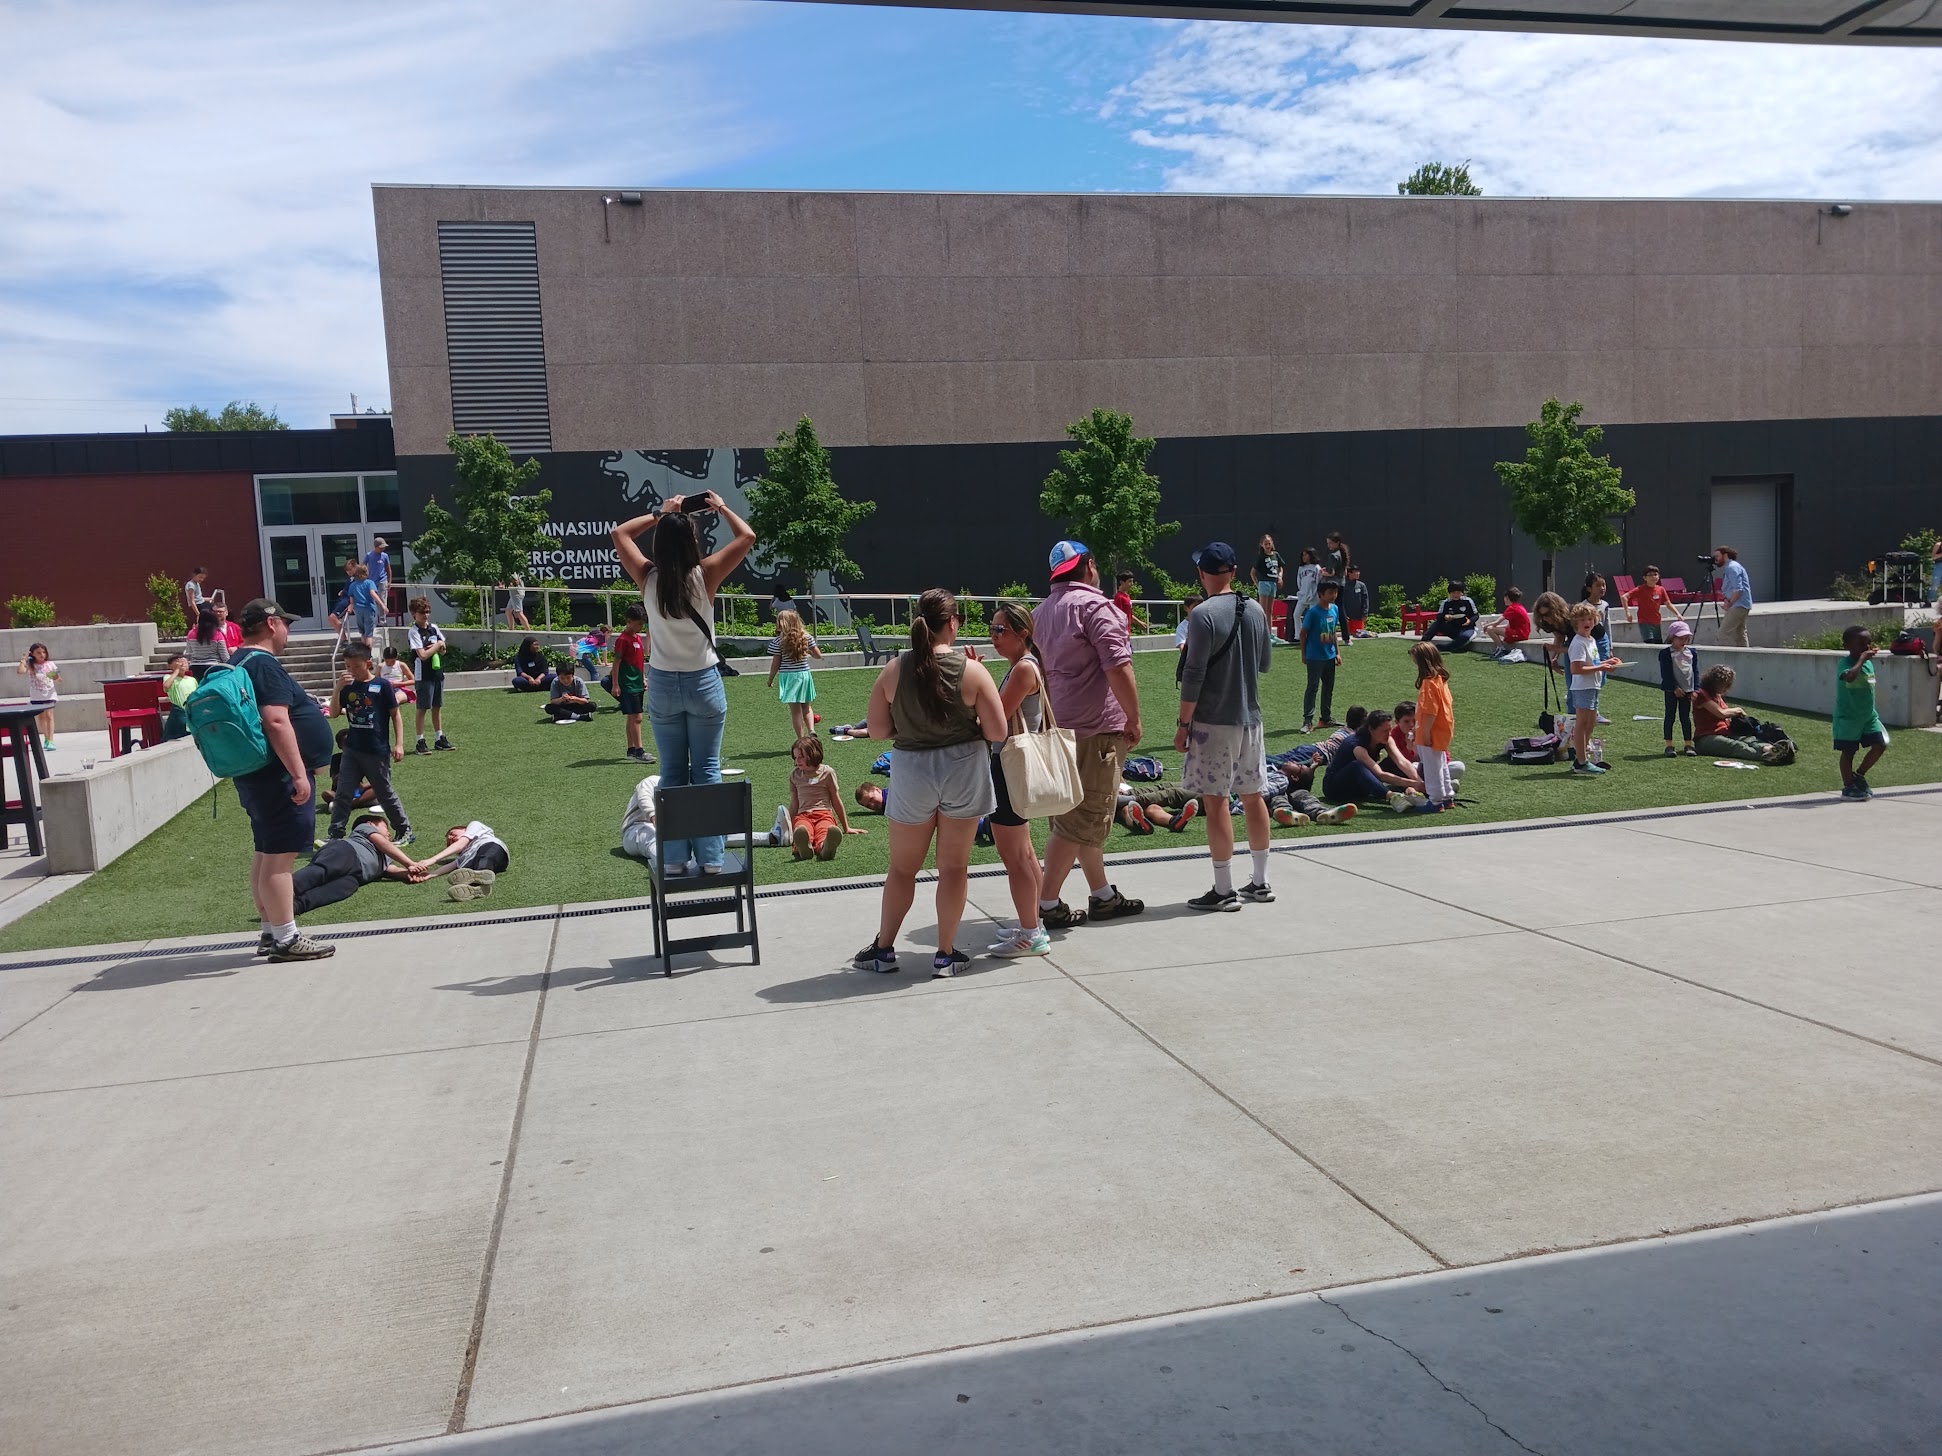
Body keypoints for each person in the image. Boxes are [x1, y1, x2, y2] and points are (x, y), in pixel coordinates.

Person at [853, 588, 1007, 977]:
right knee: (953, 868)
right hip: (963, 771)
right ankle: (944, 953)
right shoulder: (972, 670)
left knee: (903, 869)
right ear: (952, 623)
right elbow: (998, 730)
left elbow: (877, 730)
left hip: (911, 772)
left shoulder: (894, 668)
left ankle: (883, 949)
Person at [611, 489, 757, 876]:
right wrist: (721, 507)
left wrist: (662, 514)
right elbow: (747, 537)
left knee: (673, 773)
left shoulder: (648, 577)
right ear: (693, 541)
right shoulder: (705, 574)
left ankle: (673, 858)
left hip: (661, 684)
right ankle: (711, 859)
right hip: (704, 683)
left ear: (660, 541)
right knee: (707, 770)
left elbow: (619, 535)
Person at [1031, 541, 1144, 930]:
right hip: (1096, 729)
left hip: (1058, 727)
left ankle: (1102, 895)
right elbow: (1117, 666)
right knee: (1083, 818)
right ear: (1090, 567)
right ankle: (1045, 905)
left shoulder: (1041, 612)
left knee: (1075, 815)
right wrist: (1134, 717)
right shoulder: (1097, 608)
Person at [231, 599, 336, 962]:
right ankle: (286, 938)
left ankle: (270, 931)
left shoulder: (237, 661)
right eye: (286, 624)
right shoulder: (264, 665)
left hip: (255, 774)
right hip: (278, 777)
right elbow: (276, 721)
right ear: (272, 623)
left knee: (266, 852)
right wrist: (297, 774)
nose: (288, 631)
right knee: (279, 860)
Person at [1176, 541, 1275, 912]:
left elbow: (1193, 675)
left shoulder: (1201, 615)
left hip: (1213, 721)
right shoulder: (1254, 610)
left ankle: (1223, 888)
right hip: (1251, 718)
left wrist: (1183, 723)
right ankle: (1261, 881)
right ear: (1234, 571)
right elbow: (1264, 664)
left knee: (1215, 802)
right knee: (1253, 797)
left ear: (1202, 573)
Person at [983, 599, 1051, 958]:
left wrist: (974, 689)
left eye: (1000, 630)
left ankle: (1030, 933)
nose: (993, 636)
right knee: (1023, 852)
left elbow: (993, 720)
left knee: (1014, 856)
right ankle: (1033, 924)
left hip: (1008, 766)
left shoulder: (1024, 669)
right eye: (991, 629)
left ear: (1022, 633)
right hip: (1011, 766)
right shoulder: (1023, 665)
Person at [328, 643, 411, 842]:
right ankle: (335, 835)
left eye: (356, 666)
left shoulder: (382, 685)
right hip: (352, 751)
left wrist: (399, 744)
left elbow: (395, 715)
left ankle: (404, 830)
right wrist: (338, 688)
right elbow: (332, 713)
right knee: (342, 793)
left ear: (368, 663)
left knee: (384, 793)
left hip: (376, 750)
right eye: (347, 666)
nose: (351, 670)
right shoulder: (347, 687)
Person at [292, 813, 428, 916]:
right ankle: (283, 890)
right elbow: (382, 843)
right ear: (371, 824)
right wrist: (410, 863)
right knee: (320, 872)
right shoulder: (363, 828)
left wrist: (410, 874)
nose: (389, 833)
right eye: (385, 828)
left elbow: (392, 870)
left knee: (338, 890)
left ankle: (295, 906)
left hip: (356, 876)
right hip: (347, 851)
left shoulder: (386, 858)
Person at [1322, 710, 1426, 810]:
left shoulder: (1386, 739)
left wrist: (1420, 782)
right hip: (1336, 789)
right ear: (1371, 729)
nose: (1389, 734)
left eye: (1390, 729)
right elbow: (1379, 774)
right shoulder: (1356, 745)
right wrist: (1411, 782)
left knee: (1392, 762)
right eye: (1384, 731)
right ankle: (1392, 797)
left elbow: (1402, 761)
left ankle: (1411, 792)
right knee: (1356, 765)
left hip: (1362, 785)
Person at [1565, 601, 1623, 775]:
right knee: (1582, 724)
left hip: (1592, 686)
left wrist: (1608, 663)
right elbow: (1576, 669)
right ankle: (1581, 761)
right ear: (1576, 622)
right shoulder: (1578, 642)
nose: (1587, 622)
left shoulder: (1590, 640)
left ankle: (1582, 759)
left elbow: (1592, 663)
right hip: (1583, 687)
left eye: (1590, 618)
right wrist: (1601, 668)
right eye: (1582, 619)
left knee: (1590, 724)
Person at [1693, 665, 1792, 764]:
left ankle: (1772, 748)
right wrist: (1738, 710)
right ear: (1715, 683)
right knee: (1738, 746)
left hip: (1726, 733)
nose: (1727, 688)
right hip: (1706, 739)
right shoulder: (1701, 694)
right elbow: (1721, 713)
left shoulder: (1717, 695)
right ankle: (1770, 756)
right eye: (1725, 685)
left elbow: (1726, 714)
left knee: (1749, 740)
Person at [786, 733, 863, 861]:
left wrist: (846, 827)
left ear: (813, 755)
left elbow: (835, 799)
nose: (797, 761)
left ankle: (825, 848)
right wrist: (788, 828)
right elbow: (794, 803)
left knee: (825, 830)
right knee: (802, 829)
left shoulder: (827, 773)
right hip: (803, 815)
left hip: (824, 813)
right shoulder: (795, 775)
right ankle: (804, 847)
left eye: (801, 757)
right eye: (795, 757)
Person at [1834, 625, 1889, 800]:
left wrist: (1865, 660)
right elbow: (1849, 676)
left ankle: (1859, 775)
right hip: (1849, 717)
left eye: (1868, 644)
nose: (1866, 648)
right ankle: (1848, 786)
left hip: (1868, 716)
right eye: (1860, 645)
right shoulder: (1845, 664)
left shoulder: (1868, 664)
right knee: (1849, 751)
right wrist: (1862, 660)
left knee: (1880, 745)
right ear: (1847, 647)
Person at [410, 821, 509, 902]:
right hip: (484, 865)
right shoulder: (463, 857)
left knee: (484, 858)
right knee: (470, 868)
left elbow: (460, 845)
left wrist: (432, 860)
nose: (450, 838)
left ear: (463, 829)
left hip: (492, 849)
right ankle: (478, 889)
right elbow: (451, 866)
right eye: (449, 842)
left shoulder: (475, 826)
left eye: (452, 833)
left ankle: (480, 873)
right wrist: (429, 875)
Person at [1410, 642, 1457, 810]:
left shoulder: (1429, 683)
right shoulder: (1439, 680)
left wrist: (1426, 733)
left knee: (1432, 768)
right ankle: (1447, 796)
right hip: (1442, 729)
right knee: (1441, 763)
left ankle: (1436, 800)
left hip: (1430, 731)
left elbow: (1430, 711)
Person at [767, 608, 823, 743]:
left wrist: (770, 678)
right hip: (804, 675)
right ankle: (811, 730)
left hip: (789, 677)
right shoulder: (806, 637)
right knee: (806, 706)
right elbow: (818, 655)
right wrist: (807, 650)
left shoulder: (778, 641)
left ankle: (801, 739)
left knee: (795, 711)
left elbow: (776, 663)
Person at [406, 597, 453, 753]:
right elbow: (422, 655)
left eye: (427, 612)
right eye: (422, 612)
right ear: (414, 614)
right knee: (422, 708)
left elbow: (444, 649)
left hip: (437, 673)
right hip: (423, 675)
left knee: (437, 706)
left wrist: (440, 647)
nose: (425, 615)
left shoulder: (434, 628)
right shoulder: (414, 632)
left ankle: (439, 738)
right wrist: (437, 646)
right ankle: (420, 741)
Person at [1298, 577, 1341, 734]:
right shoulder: (1313, 613)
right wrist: (1304, 654)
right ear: (1321, 594)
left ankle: (1325, 718)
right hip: (1315, 657)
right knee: (1312, 687)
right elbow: (1303, 634)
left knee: (1328, 687)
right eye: (1330, 592)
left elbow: (1334, 632)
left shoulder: (1334, 609)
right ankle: (1307, 721)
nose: (1333, 595)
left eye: (1335, 592)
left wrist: (1337, 652)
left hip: (1329, 656)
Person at [614, 602, 652, 763]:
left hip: (637, 682)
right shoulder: (623, 640)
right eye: (638, 624)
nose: (640, 627)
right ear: (628, 621)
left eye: (642, 624)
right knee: (637, 717)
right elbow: (616, 663)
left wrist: (643, 677)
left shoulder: (637, 638)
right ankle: (639, 751)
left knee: (632, 717)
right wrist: (615, 684)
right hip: (628, 684)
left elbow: (638, 662)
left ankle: (631, 749)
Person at [1658, 620, 1700, 757]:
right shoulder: (1665, 653)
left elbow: (1695, 671)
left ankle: (1688, 744)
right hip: (1672, 691)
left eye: (1686, 638)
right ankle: (1669, 745)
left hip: (1687, 690)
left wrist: (1695, 689)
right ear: (1672, 638)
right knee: (1670, 716)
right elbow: (1666, 673)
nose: (1683, 641)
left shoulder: (1692, 653)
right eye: (1680, 638)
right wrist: (1674, 687)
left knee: (1685, 717)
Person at [1623, 565, 1682, 645]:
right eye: (1650, 575)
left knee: (1658, 645)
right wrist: (1627, 613)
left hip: (1657, 622)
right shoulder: (1640, 589)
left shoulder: (1661, 589)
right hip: (1645, 622)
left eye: (1655, 574)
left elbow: (1668, 603)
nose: (1653, 577)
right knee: (1650, 644)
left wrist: (1678, 614)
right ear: (1645, 578)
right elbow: (1624, 597)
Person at [17, 644, 59, 751]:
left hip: (49, 693)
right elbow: (20, 671)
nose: (42, 655)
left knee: (49, 715)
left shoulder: (50, 664)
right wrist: (23, 659)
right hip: (37, 696)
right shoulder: (31, 666)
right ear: (33, 654)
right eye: (38, 653)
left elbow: (56, 677)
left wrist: (55, 676)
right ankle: (46, 737)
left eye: (43, 652)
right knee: (41, 717)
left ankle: (51, 740)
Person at [1116, 782, 1200, 833]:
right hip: (1110, 796)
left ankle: (1137, 823)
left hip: (1119, 793)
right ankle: (1172, 821)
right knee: (1129, 808)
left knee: (1149, 807)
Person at [1713, 546, 1753, 647]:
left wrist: (1729, 603)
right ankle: (1745, 657)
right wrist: (1727, 600)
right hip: (1742, 604)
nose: (1715, 559)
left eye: (1717, 556)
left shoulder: (1732, 568)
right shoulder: (1732, 567)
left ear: (1725, 555)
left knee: (1722, 634)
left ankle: (1720, 659)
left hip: (1738, 605)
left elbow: (1738, 589)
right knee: (1740, 634)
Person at [1424, 579, 1479, 653]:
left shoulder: (1468, 601)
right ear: (1450, 593)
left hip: (1467, 628)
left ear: (1462, 593)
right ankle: (1422, 644)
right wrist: (1445, 617)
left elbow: (1476, 615)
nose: (1456, 595)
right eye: (1453, 593)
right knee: (1437, 623)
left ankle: (1447, 647)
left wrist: (1470, 621)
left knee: (1465, 637)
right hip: (1452, 628)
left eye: (1458, 592)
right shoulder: (1446, 603)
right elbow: (1439, 616)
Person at [1484, 586, 1533, 656]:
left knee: (1490, 629)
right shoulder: (1519, 606)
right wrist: (1497, 628)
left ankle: (1501, 649)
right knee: (1493, 629)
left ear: (1507, 597)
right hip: (1523, 633)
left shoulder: (1512, 608)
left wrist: (1486, 626)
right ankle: (1500, 648)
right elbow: (1508, 626)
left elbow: (1496, 623)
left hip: (1520, 634)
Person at [1529, 590, 1571, 669]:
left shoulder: (1573, 618)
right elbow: (1559, 636)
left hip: (1596, 640)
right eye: (1541, 615)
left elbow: (1580, 647)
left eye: (1547, 614)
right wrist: (1554, 659)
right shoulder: (1549, 622)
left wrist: (1556, 649)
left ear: (1557, 611)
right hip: (1573, 643)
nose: (1544, 618)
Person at [1289, 548, 1321, 648]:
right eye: (1303, 555)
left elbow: (1318, 582)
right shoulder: (1301, 568)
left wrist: (1315, 593)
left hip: (1314, 596)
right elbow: (1299, 581)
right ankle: (1298, 635)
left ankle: (1313, 636)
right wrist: (1302, 592)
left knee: (1312, 617)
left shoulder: (1317, 568)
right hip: (1302, 595)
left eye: (1306, 555)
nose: (1304, 557)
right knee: (1296, 614)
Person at [182, 605, 230, 672]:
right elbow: (224, 656)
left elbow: (188, 653)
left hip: (195, 667)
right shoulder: (217, 634)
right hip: (213, 667)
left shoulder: (191, 634)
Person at [346, 562, 381, 648]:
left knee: (362, 633)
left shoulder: (352, 585)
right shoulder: (369, 583)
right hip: (368, 609)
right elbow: (373, 593)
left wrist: (352, 607)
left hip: (358, 610)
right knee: (369, 634)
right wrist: (382, 605)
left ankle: (363, 653)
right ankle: (368, 655)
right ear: (365, 572)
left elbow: (352, 600)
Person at [160, 652, 194, 740]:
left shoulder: (192, 679)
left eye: (184, 662)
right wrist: (176, 671)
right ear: (170, 666)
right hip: (179, 711)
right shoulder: (169, 677)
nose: (182, 664)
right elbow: (166, 686)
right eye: (177, 662)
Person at [1251, 535, 1283, 628]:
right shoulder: (1261, 557)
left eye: (1269, 543)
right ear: (1261, 545)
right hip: (1264, 583)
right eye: (1266, 544)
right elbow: (1253, 572)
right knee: (1263, 609)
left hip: (1273, 583)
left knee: (1270, 610)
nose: (1268, 546)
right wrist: (1258, 584)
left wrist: (1280, 577)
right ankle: (1262, 631)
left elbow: (1280, 567)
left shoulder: (1276, 555)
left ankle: (1269, 633)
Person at [1174, 592, 1203, 683]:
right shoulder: (1182, 627)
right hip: (1190, 664)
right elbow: (1182, 648)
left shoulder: (1205, 622)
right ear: (1186, 608)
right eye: (1195, 607)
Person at [1339, 564, 1371, 640]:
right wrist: (1343, 615)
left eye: (1358, 572)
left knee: (1358, 635)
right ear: (1349, 573)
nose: (1357, 574)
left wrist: (1365, 613)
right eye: (1355, 572)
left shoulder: (1361, 585)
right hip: (1347, 617)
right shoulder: (1343, 585)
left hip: (1358, 617)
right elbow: (1341, 601)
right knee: (1348, 635)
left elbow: (1365, 600)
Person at [363, 537, 392, 605]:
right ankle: (374, 615)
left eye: (383, 547)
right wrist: (364, 578)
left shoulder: (385, 556)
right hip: (372, 580)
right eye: (381, 548)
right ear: (376, 547)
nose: (383, 549)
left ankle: (382, 615)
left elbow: (388, 569)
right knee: (372, 599)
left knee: (382, 599)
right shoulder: (369, 555)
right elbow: (363, 566)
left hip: (382, 580)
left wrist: (389, 581)